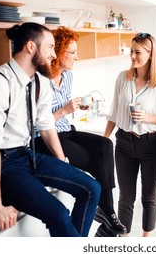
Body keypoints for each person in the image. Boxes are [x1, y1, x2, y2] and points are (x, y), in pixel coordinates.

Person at [0, 22, 101, 237]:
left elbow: (47, 125)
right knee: (58, 214)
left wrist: (61, 162)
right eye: (50, 47)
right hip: (5, 164)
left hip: (28, 155)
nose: (53, 53)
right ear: (31, 47)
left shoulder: (39, 80)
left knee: (92, 188)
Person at [34, 26, 126, 236]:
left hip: (66, 130)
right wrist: (64, 110)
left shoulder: (68, 77)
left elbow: (62, 110)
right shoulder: (39, 81)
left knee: (105, 144)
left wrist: (74, 107)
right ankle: (105, 214)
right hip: (46, 139)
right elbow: (36, 124)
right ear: (57, 52)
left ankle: (107, 211)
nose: (77, 57)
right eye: (72, 52)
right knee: (95, 160)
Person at [104, 32, 156, 237]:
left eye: (138, 52)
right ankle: (124, 239)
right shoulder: (123, 78)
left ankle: (146, 241)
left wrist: (147, 117)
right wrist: (104, 138)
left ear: (151, 54)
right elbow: (114, 111)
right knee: (125, 197)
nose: (133, 56)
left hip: (152, 145)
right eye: (131, 51)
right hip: (124, 143)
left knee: (149, 197)